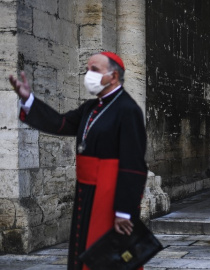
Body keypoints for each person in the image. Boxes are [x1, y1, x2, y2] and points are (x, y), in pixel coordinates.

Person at [9, 52, 148, 270]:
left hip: (109, 197)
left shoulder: (128, 109)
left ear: (113, 76)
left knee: (107, 259)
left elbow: (134, 166)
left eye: (94, 70)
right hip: (87, 192)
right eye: (87, 69)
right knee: (84, 250)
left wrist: (124, 211)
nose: (88, 74)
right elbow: (61, 123)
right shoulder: (91, 107)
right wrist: (29, 100)